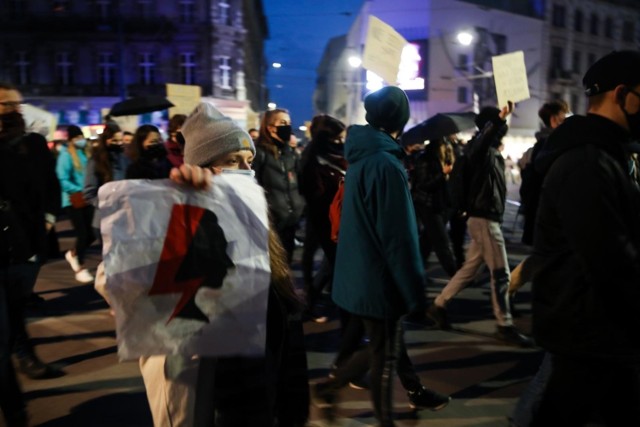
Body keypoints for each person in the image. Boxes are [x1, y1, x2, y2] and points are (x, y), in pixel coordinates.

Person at [114, 102, 310, 427]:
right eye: (231, 161)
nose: (245, 170)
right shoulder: (182, 216)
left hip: (265, 382)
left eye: (248, 161)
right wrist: (182, 204)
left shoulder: (253, 217)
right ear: (203, 167)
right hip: (223, 395)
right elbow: (135, 287)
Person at [314, 86, 448, 426]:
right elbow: (399, 238)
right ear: (400, 119)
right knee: (384, 354)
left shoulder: (362, 156)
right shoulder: (387, 165)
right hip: (379, 276)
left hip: (359, 271)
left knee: (383, 348)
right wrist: (415, 292)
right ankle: (379, 416)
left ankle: (333, 389)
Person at [528, 50, 640, 426]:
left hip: (595, 331)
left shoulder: (603, 154)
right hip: (589, 332)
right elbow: (610, 259)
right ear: (623, 95)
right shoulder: (587, 163)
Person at [426, 103, 533, 347]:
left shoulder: (489, 150)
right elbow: (484, 140)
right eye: (499, 125)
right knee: (500, 273)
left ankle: (438, 305)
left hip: (484, 216)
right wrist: (497, 120)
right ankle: (504, 324)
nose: (503, 128)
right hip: (483, 217)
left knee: (469, 270)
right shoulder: (480, 148)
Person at [0, 82, 60, 426]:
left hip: (26, 247)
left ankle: (23, 357)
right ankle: (16, 405)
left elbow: (49, 187)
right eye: (4, 105)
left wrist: (49, 221)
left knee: (16, 307)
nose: (12, 110)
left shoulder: (34, 145)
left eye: (15, 104)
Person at [298, 114, 346, 322]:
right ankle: (309, 300)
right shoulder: (315, 156)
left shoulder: (329, 154)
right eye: (337, 138)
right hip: (323, 214)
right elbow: (313, 188)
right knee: (330, 258)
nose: (340, 142)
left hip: (331, 214)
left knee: (332, 260)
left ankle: (311, 298)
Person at [252, 108, 305, 262]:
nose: (287, 126)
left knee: (286, 261)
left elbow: (297, 183)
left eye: (288, 123)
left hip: (291, 220)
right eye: (282, 123)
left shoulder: (290, 154)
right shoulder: (259, 153)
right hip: (271, 222)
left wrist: (299, 207)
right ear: (270, 128)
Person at [519, 100, 568, 246]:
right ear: (554, 120)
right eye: (563, 117)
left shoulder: (538, 145)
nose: (566, 121)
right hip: (547, 212)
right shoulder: (553, 145)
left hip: (537, 209)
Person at [410, 137, 458, 277]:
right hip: (428, 204)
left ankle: (415, 272)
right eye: (445, 148)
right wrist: (442, 174)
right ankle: (455, 275)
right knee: (441, 241)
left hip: (439, 205)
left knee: (427, 241)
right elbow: (424, 184)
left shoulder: (439, 160)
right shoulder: (425, 160)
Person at [57, 125, 95, 283]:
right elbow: (62, 177)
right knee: (82, 233)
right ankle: (80, 266)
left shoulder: (86, 153)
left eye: (81, 137)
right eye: (76, 138)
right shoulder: (65, 155)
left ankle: (73, 253)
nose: (80, 141)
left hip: (87, 198)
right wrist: (78, 190)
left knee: (93, 233)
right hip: (73, 200)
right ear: (71, 140)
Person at [84, 121, 128, 236]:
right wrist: (107, 204)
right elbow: (89, 192)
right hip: (104, 220)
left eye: (120, 140)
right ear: (105, 141)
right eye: (114, 140)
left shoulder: (125, 158)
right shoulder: (95, 161)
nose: (118, 143)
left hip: (124, 218)